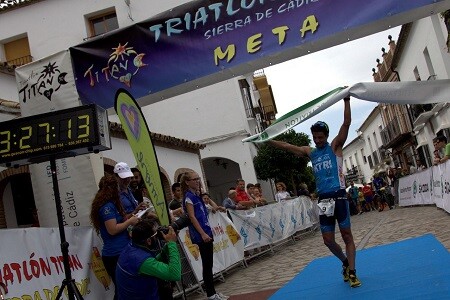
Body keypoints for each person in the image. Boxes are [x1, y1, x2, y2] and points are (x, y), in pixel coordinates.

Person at [267, 97, 361, 288]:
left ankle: (352, 272)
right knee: (328, 240)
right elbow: (286, 146)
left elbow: (346, 123)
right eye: (315, 137)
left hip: (339, 196)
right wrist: (267, 140)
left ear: (326, 136)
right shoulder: (311, 152)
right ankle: (344, 262)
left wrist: (346, 100)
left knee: (347, 236)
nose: (318, 141)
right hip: (324, 200)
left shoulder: (335, 146)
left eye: (321, 137)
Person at [90, 174, 140, 300]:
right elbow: (112, 230)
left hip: (123, 250)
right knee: (121, 290)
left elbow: (119, 221)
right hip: (115, 254)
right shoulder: (107, 206)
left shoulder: (112, 203)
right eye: (117, 187)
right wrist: (129, 222)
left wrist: (132, 214)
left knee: (128, 288)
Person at [181, 171, 229, 300]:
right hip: (201, 234)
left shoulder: (197, 195)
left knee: (209, 264)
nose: (197, 181)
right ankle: (211, 294)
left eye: (198, 178)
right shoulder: (188, 197)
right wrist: (202, 233)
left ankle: (212, 292)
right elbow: (191, 217)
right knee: (207, 265)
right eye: (194, 179)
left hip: (207, 231)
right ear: (187, 182)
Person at [115, 219, 181, 299]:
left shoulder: (130, 248)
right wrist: (172, 243)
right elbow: (174, 274)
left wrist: (166, 248)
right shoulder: (141, 260)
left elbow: (151, 263)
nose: (157, 238)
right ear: (149, 241)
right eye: (155, 235)